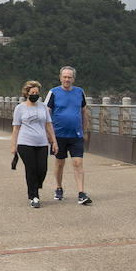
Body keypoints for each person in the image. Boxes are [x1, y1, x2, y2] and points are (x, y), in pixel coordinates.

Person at [46, 65, 91, 204]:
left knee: (78, 163)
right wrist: (49, 134)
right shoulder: (53, 92)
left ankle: (81, 193)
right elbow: (46, 112)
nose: (67, 79)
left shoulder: (79, 92)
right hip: (58, 135)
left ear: (73, 79)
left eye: (69, 77)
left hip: (76, 134)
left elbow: (84, 112)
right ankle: (59, 188)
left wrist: (85, 130)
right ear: (60, 78)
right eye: (64, 77)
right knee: (60, 163)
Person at [11, 79, 58, 208]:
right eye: (32, 92)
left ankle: (36, 185)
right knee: (31, 169)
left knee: (42, 169)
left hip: (42, 143)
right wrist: (13, 145)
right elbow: (16, 128)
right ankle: (34, 196)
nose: (35, 95)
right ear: (27, 93)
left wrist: (54, 142)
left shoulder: (43, 107)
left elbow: (49, 125)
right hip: (25, 143)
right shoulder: (20, 108)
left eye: (37, 92)